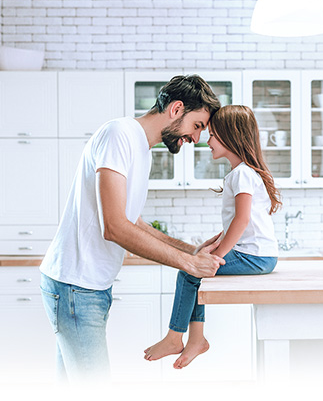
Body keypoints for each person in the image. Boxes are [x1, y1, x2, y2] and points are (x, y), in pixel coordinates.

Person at [39, 74, 226, 383]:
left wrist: (188, 248)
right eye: (196, 126)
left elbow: (132, 221)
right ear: (176, 109)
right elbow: (113, 227)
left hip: (88, 287)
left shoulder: (139, 147)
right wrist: (189, 263)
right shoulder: (119, 134)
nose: (196, 139)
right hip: (75, 287)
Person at [144, 104, 282, 369]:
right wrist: (215, 245)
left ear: (232, 137)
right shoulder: (243, 173)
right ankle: (196, 340)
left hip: (253, 257)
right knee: (195, 268)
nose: (207, 140)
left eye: (214, 135)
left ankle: (177, 338)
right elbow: (241, 221)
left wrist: (216, 257)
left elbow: (241, 221)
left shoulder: (242, 174)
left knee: (189, 272)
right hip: (259, 255)